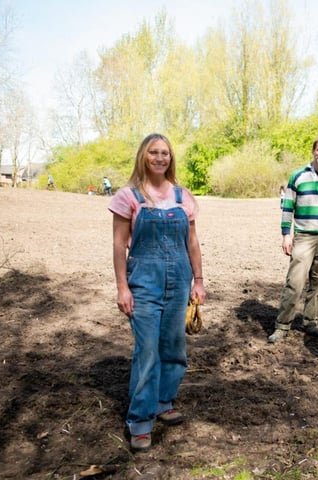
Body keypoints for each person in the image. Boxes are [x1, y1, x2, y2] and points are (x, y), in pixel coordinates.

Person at [109, 133, 206, 452]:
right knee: (147, 350)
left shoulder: (183, 196)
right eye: (154, 152)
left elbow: (192, 242)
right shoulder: (128, 196)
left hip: (179, 279)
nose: (160, 157)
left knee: (174, 347)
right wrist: (122, 287)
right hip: (144, 280)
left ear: (171, 158)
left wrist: (199, 280)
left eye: (165, 153)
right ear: (143, 156)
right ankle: (140, 421)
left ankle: (164, 401)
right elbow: (118, 245)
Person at [268, 137, 318, 344]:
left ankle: (311, 322)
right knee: (295, 282)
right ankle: (282, 326)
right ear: (313, 151)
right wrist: (286, 234)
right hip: (303, 237)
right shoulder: (298, 177)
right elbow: (288, 208)